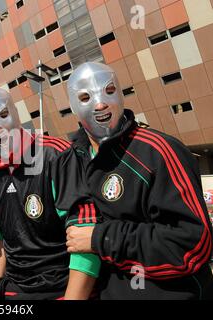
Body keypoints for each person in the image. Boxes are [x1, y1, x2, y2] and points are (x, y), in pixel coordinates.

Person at [65, 62, 213, 299]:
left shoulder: (160, 151)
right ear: (73, 105)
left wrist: (101, 238)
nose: (101, 103)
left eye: (109, 90)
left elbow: (194, 246)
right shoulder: (72, 160)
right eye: (85, 97)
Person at [0, 87, 100, 300]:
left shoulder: (56, 155)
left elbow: (85, 229)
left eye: (3, 115)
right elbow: (1, 235)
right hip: (17, 287)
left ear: (15, 112)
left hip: (63, 285)